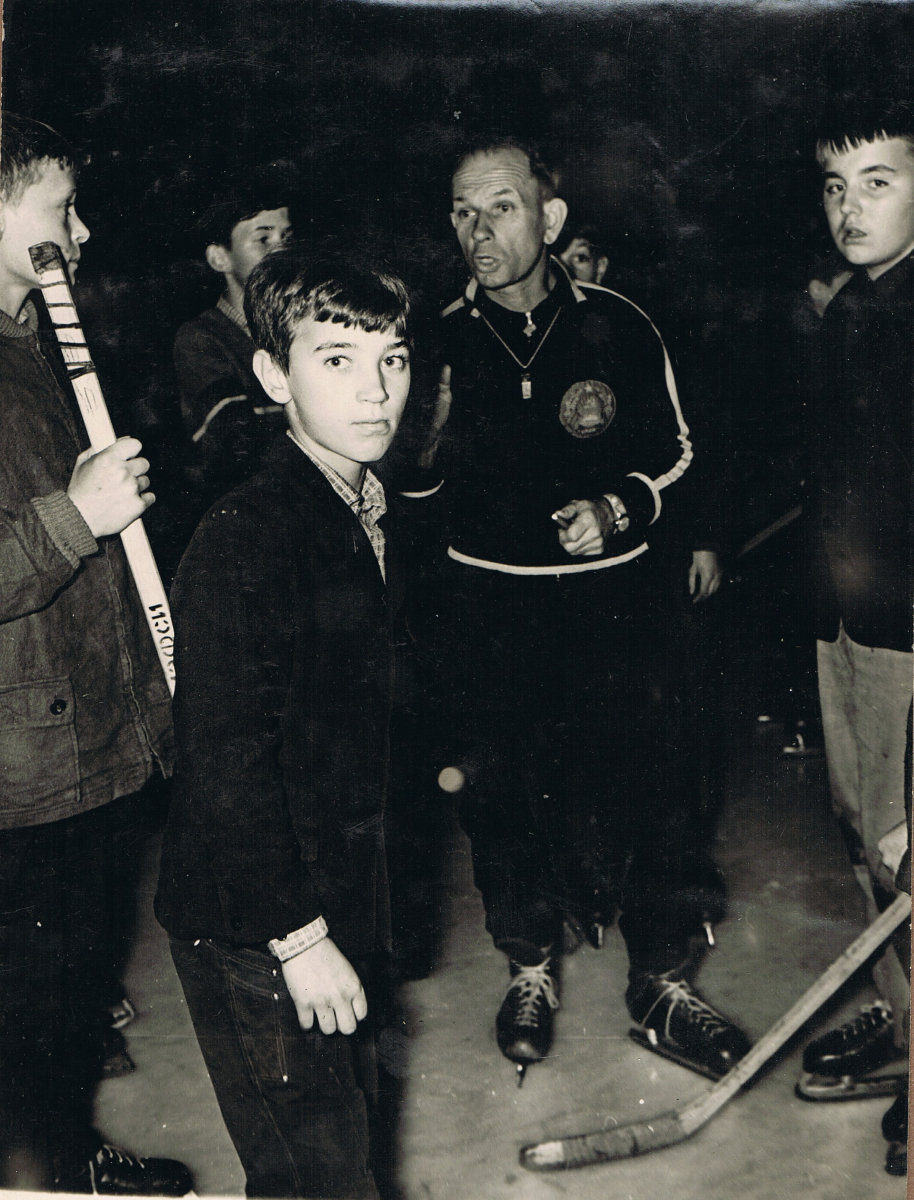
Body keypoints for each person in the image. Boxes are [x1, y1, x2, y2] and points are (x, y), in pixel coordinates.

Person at [400, 135, 749, 1086]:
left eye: (501, 207)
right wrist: (421, 453)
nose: (478, 231)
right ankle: (528, 968)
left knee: (657, 792)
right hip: (489, 610)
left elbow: (682, 451)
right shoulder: (435, 343)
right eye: (463, 212)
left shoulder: (621, 326)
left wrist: (619, 505)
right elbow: (410, 501)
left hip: (615, 609)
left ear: (551, 220)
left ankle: (663, 983)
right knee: (501, 798)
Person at [156, 247, 412, 1199]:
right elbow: (223, 763)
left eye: (392, 358)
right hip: (256, 926)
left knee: (348, 1151)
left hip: (327, 893)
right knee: (313, 1175)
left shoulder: (363, 502)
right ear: (273, 374)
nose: (376, 390)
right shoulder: (247, 538)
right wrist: (300, 941)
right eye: (337, 359)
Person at [0, 113, 190, 1194]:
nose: (81, 231)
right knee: (27, 1012)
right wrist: (77, 518)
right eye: (60, 209)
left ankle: (64, 1157)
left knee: (70, 1001)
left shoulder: (36, 341)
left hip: (79, 746)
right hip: (20, 773)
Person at [791, 103, 913, 1177]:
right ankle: (905, 1019)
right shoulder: (851, 311)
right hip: (846, 626)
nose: (849, 207)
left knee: (903, 842)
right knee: (867, 834)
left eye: (877, 182)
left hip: (906, 640)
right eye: (835, 186)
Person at [173, 181, 292, 510]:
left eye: (286, 237)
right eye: (263, 239)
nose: (281, 251)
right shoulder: (201, 339)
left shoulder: (303, 330)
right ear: (219, 258)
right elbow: (235, 447)